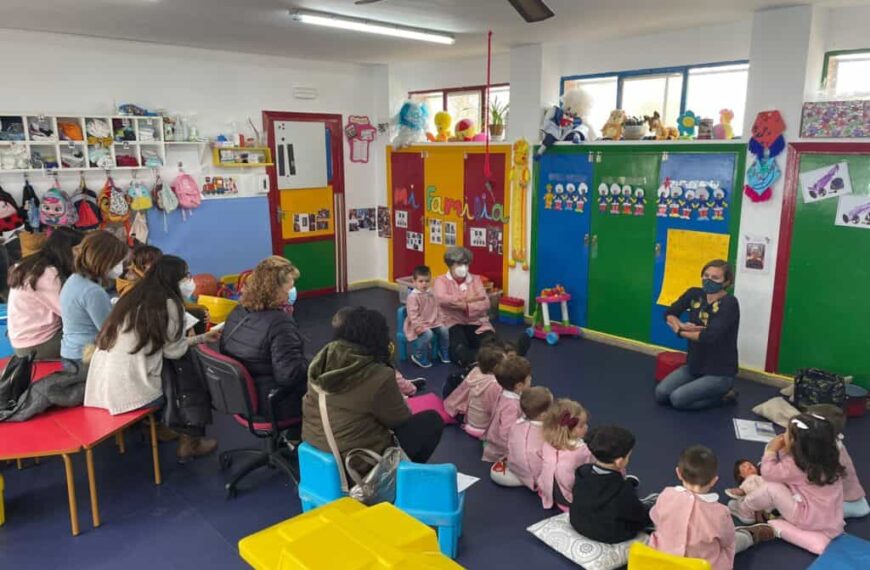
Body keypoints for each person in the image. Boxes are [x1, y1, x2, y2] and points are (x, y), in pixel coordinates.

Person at [84, 256, 219, 460]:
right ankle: (190, 439)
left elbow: (164, 345)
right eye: (186, 276)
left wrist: (201, 337)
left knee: (177, 364)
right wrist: (196, 341)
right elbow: (174, 351)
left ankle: (173, 428)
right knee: (185, 368)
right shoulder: (169, 304)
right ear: (173, 278)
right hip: (131, 394)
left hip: (102, 389)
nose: (190, 281)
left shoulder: (132, 298)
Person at [302, 307, 444, 463]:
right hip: (356, 462)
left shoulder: (322, 362)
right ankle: (405, 473)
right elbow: (400, 418)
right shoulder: (379, 375)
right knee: (431, 420)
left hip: (316, 450)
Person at [731, 413, 845, 554]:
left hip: (807, 517)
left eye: (787, 433)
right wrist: (787, 450)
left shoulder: (796, 466)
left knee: (772, 488)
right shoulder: (829, 457)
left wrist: (771, 450)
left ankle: (745, 510)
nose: (783, 435)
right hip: (832, 518)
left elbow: (768, 473)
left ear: (796, 443)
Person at [649, 446, 774, 570]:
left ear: (678, 473)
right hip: (705, 564)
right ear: (713, 481)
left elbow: (655, 518)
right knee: (735, 541)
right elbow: (727, 541)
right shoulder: (720, 513)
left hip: (663, 561)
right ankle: (749, 535)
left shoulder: (666, 495)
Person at [220, 257, 308, 424]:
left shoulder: (238, 311)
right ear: (275, 289)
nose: (293, 290)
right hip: (272, 403)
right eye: (290, 286)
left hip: (241, 397)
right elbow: (289, 376)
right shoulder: (280, 323)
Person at [656, 259, 740, 410]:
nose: (708, 280)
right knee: (661, 394)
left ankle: (726, 395)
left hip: (719, 372)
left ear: (726, 282)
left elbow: (708, 336)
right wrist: (679, 324)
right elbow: (670, 313)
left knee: (677, 399)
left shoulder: (730, 303)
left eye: (715, 278)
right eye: (706, 275)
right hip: (694, 366)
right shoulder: (695, 294)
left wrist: (680, 331)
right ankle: (700, 387)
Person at [433, 246, 529, 367]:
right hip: (453, 323)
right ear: (450, 264)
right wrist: (469, 299)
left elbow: (485, 303)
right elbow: (442, 299)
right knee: (459, 350)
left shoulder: (475, 279)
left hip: (476, 321)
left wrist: (465, 307)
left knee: (490, 341)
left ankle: (508, 353)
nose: (463, 267)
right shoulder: (441, 281)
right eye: (459, 264)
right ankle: (488, 359)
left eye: (466, 264)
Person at [7, 227, 84, 358]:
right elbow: (69, 313)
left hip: (22, 340)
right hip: (38, 344)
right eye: (80, 250)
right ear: (68, 251)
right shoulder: (46, 273)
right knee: (95, 337)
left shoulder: (31, 264)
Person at [569, 425, 649, 543]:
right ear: (619, 462)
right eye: (628, 456)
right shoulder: (623, 490)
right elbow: (637, 515)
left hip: (578, 522)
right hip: (610, 534)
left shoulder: (582, 472)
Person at [60, 231, 128, 364]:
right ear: (104, 260)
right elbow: (109, 330)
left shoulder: (75, 279)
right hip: (85, 356)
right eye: (117, 262)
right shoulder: (93, 291)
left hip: (71, 352)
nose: (120, 267)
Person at [332, 306, 424, 397]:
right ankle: (406, 387)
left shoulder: (337, 350)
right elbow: (390, 374)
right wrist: (411, 389)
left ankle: (405, 386)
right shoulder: (371, 350)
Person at [807, 404, 869, 518]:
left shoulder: (830, 453)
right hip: (843, 494)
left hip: (846, 500)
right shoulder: (827, 442)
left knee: (809, 511)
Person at [491, 386, 553, 489]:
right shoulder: (545, 432)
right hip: (534, 474)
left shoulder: (516, 424)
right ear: (542, 415)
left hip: (515, 466)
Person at [537, 399, 591, 510]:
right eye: (581, 426)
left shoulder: (547, 444)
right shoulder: (581, 450)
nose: (587, 427)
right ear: (568, 430)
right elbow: (592, 466)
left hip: (548, 490)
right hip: (568, 497)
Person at [443, 343, 506, 438]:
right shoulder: (494, 384)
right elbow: (493, 408)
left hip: (468, 420)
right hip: (481, 426)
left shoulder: (476, 371)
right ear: (496, 367)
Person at [482, 355, 532, 462]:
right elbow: (506, 433)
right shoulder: (512, 406)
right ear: (519, 385)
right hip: (501, 450)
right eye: (529, 378)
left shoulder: (504, 391)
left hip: (495, 438)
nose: (531, 379)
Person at [404, 265, 450, 368]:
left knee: (444, 330)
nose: (424, 284)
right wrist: (418, 326)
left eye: (427, 281)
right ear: (414, 281)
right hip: (418, 323)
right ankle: (419, 355)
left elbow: (437, 307)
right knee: (428, 334)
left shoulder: (431, 293)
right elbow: (413, 315)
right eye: (421, 281)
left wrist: (442, 319)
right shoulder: (413, 297)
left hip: (433, 321)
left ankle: (443, 351)